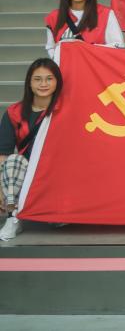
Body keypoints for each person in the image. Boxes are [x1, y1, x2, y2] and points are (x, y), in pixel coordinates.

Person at [0, 58, 62, 240]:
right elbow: (3, 154)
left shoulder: (66, 110)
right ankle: (13, 217)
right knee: (13, 161)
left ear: (57, 82)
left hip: (56, 173)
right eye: (37, 79)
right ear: (29, 82)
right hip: (26, 174)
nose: (43, 84)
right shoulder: (14, 112)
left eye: (49, 79)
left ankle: (56, 212)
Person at [45, 0, 123, 61]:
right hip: (65, 68)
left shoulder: (106, 14)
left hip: (95, 68)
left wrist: (87, 49)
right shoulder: (54, 17)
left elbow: (118, 46)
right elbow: (50, 47)